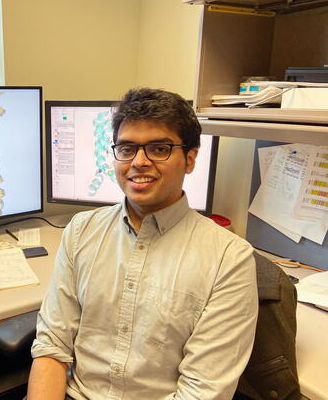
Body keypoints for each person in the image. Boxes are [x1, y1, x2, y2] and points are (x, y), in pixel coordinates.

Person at [27, 88, 258, 400]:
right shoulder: (81, 231)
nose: (139, 162)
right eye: (127, 149)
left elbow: (202, 392)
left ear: (190, 159)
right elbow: (52, 346)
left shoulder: (229, 259)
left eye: (159, 149)